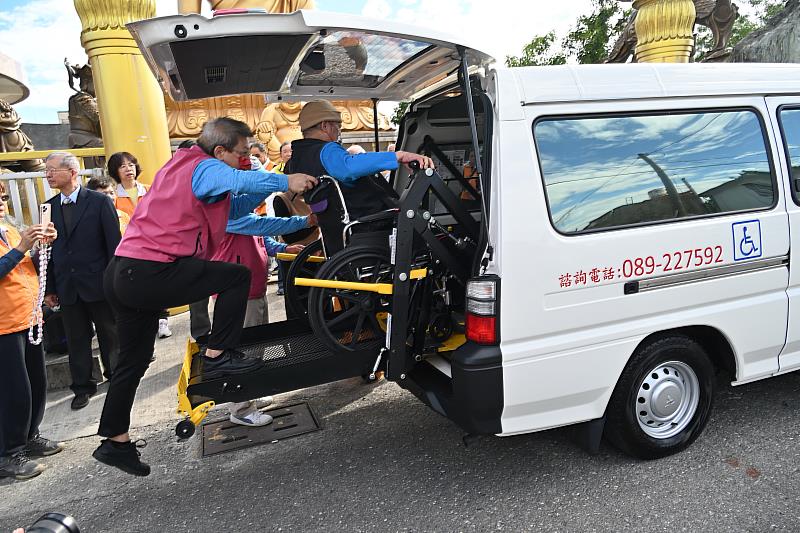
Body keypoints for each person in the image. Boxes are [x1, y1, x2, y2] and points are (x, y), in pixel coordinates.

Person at [94, 117, 316, 476]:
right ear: (220, 151)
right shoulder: (204, 168)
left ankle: (114, 441)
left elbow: (240, 207)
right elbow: (238, 181)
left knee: (133, 363)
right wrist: (284, 180)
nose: (246, 160)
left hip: (124, 272)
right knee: (235, 277)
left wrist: (290, 208)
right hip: (149, 270)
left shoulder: (180, 166)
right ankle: (218, 355)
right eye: (242, 153)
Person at [208, 209, 315, 426]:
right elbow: (262, 226)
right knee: (242, 351)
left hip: (254, 290)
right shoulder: (230, 214)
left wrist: (284, 248)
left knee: (257, 346)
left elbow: (262, 240)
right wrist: (304, 221)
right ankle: (241, 408)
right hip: (237, 295)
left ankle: (251, 393)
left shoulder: (243, 213)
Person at [43, 152, 122, 410]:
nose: (48, 174)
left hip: (98, 281)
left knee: (109, 333)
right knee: (76, 338)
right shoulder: (48, 207)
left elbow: (113, 245)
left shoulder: (99, 202)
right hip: (68, 285)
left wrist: (114, 280)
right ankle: (82, 387)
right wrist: (51, 287)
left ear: (72, 172)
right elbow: (48, 252)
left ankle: (117, 378)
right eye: (47, 170)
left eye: (53, 170)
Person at [0, 181, 62, 480]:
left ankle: (29, 436)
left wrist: (41, 246)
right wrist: (23, 247)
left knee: (37, 384)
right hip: (3, 325)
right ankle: (8, 453)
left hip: (28, 316)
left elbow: (23, 265)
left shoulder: (9, 231)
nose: (2, 202)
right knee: (14, 391)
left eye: (1, 197)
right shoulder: (14, 237)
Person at [286, 100, 434, 221]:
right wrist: (398, 156)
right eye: (338, 126)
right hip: (369, 226)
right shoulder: (326, 149)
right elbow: (348, 167)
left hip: (336, 229)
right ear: (325, 126)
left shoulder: (297, 158)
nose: (339, 132)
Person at [107, 152, 172, 339]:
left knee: (159, 282)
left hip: (154, 243)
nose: (128, 169)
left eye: (131, 164)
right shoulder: (113, 198)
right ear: (115, 171)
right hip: (130, 248)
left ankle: (162, 320)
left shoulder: (151, 189)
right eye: (123, 166)